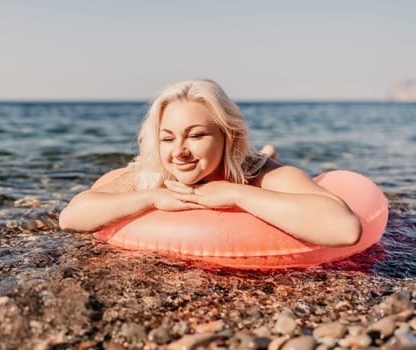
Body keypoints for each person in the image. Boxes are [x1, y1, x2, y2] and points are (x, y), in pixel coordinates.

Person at [59, 79, 362, 247]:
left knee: (269, 156)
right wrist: (153, 197)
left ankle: (271, 151)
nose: (179, 151)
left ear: (228, 135)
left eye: (195, 135)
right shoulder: (153, 175)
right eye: (167, 138)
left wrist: (235, 194)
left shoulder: (260, 173)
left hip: (244, 169)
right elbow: (71, 217)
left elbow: (345, 229)